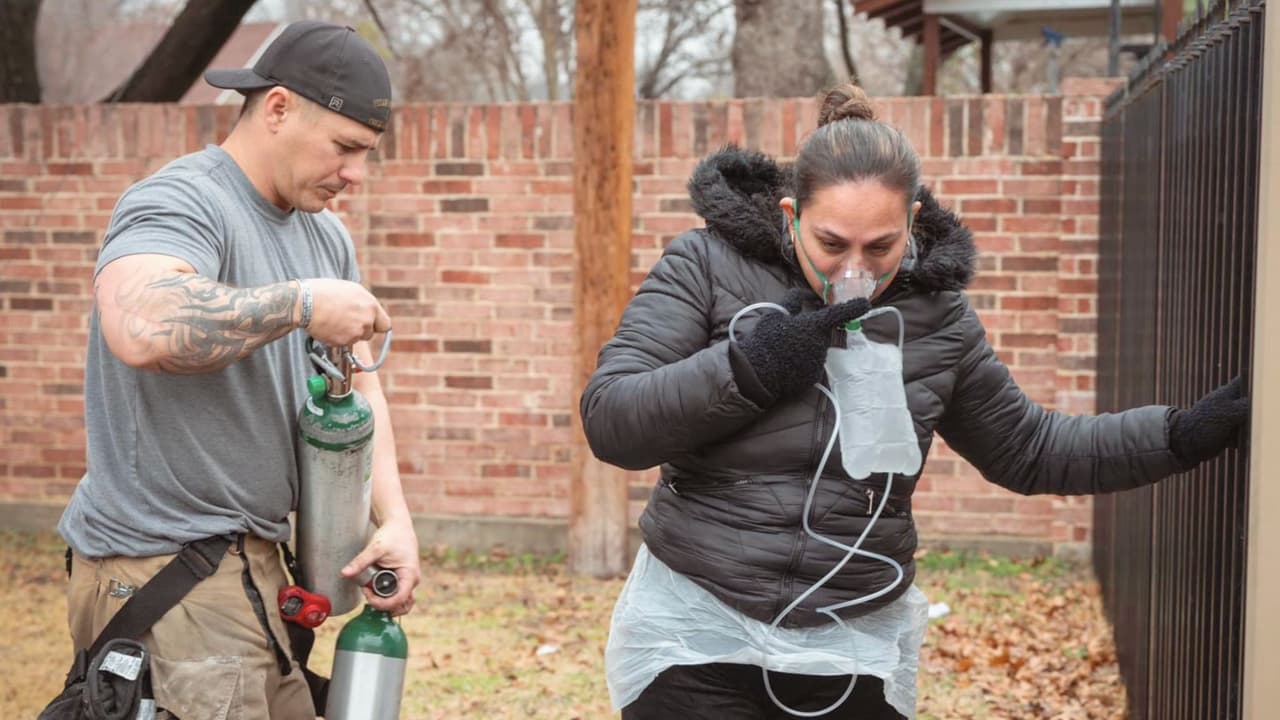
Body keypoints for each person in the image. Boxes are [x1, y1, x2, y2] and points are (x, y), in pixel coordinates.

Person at [580, 81, 1250, 719]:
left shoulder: (937, 318)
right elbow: (613, 420)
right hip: (695, 630)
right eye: (831, 244)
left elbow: (1030, 448)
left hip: (851, 637)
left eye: (882, 247)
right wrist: (750, 367)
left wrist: (1182, 434)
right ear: (792, 214)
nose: (854, 272)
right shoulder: (705, 265)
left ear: (913, 223)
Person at [56, 21, 420, 719]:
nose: (355, 174)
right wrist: (300, 302)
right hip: (165, 570)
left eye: (366, 154)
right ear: (277, 108)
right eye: (345, 148)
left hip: (255, 565)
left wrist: (394, 520)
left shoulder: (325, 235)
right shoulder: (180, 201)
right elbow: (143, 325)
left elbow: (362, 387)